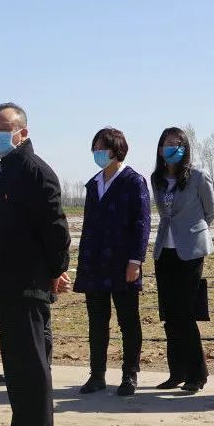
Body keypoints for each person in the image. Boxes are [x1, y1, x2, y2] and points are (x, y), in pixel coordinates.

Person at [0, 103, 71, 426]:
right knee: (17, 365)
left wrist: (56, 270)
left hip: (27, 281)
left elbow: (55, 228)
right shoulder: (10, 172)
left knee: (31, 364)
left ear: (22, 133)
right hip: (10, 282)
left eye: (3, 129)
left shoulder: (35, 172)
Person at [74, 128, 150, 396]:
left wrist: (135, 260)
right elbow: (88, 225)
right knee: (97, 322)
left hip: (123, 262)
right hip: (95, 263)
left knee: (128, 321)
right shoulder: (94, 184)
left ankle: (130, 374)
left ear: (116, 150)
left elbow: (142, 223)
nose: (97, 153)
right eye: (94, 148)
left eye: (102, 148)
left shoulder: (133, 181)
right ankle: (97, 374)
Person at [151, 127, 214, 394]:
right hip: (164, 251)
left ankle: (197, 374)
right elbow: (163, 213)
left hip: (190, 251)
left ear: (185, 148)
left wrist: (193, 233)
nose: (173, 147)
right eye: (168, 143)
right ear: (160, 149)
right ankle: (175, 372)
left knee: (185, 313)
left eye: (178, 144)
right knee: (169, 315)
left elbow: (210, 212)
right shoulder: (157, 178)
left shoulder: (198, 176)